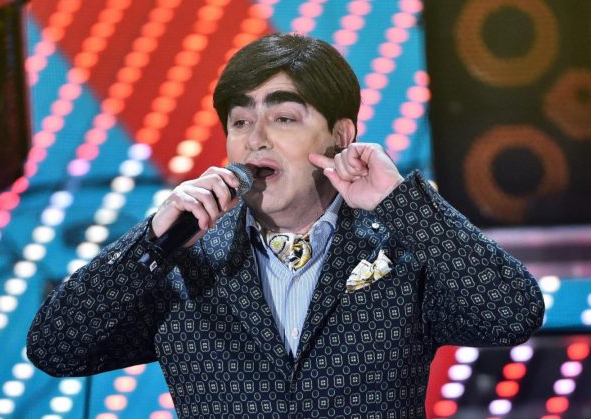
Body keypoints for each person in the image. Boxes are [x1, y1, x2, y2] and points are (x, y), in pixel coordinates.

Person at [27, 33, 544, 418]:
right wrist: (153, 242)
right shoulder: (183, 265)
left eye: (284, 118)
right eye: (240, 121)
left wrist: (401, 203)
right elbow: (55, 349)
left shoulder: (398, 251)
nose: (256, 139)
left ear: (341, 135)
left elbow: (512, 313)